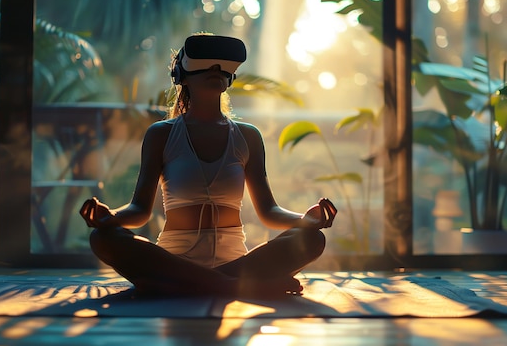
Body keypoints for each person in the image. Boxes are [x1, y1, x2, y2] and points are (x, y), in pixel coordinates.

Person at [80, 33, 337, 298]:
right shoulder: (161, 134)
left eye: (223, 66)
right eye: (206, 63)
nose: (215, 70)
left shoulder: (247, 136)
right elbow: (140, 210)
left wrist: (305, 220)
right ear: (182, 75)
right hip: (173, 260)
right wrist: (109, 217)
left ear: (230, 78)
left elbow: (269, 211)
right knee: (103, 238)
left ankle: (181, 287)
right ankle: (233, 286)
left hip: (234, 263)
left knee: (312, 239)